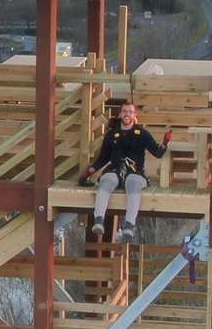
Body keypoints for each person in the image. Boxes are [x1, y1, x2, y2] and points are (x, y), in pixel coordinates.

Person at [63, 102, 171, 243]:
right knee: (106, 182)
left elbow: (157, 153)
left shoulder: (142, 134)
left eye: (130, 112)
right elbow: (102, 158)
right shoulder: (112, 134)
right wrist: (88, 173)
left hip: (135, 172)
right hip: (115, 169)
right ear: (120, 114)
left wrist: (165, 142)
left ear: (134, 115)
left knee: (133, 184)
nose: (127, 114)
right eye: (124, 111)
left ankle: (129, 225)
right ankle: (99, 220)